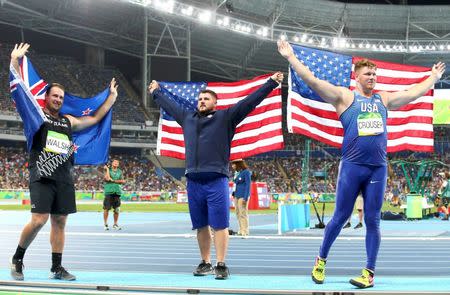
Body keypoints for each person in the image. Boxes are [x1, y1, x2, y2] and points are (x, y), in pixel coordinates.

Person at [278, 40, 445, 288]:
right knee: (339, 217)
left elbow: (412, 93)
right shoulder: (344, 97)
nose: (373, 77)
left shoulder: (384, 99)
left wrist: (432, 78)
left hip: (377, 168)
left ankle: (369, 272)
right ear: (356, 77)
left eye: (375, 74)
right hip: (352, 167)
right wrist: (291, 57)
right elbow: (313, 81)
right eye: (368, 73)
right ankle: (321, 260)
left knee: (373, 220)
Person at [148, 72, 283, 280]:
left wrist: (271, 83)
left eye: (206, 99)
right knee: (200, 226)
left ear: (215, 102)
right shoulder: (187, 118)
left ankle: (221, 264)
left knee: (220, 225)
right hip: (193, 181)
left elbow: (250, 102)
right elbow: (169, 105)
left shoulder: (226, 117)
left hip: (216, 180)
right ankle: (205, 262)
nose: (201, 101)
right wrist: (156, 92)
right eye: (200, 99)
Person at [10, 43, 118, 281]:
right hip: (42, 174)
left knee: (60, 222)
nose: (58, 99)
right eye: (54, 96)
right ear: (46, 97)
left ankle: (56, 267)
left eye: (61, 97)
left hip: (64, 177)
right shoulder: (36, 117)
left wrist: (111, 98)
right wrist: (14, 61)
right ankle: (18, 258)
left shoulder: (69, 121)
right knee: (39, 220)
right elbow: (19, 91)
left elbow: (95, 118)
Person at [103, 159, 126, 230]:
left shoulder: (120, 171)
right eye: (114, 162)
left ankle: (115, 224)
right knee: (106, 209)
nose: (116, 163)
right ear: (112, 163)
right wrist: (107, 170)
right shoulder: (108, 170)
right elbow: (107, 179)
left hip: (117, 192)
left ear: (118, 164)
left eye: (117, 162)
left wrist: (114, 181)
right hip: (109, 192)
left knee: (117, 209)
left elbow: (123, 181)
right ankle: (105, 224)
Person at [231, 159, 252, 237]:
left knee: (242, 212)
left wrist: (246, 197)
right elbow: (235, 184)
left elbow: (248, 185)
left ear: (238, 164)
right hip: (236, 195)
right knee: (237, 213)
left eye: (233, 164)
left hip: (243, 195)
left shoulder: (246, 172)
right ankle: (240, 228)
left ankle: (245, 230)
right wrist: (233, 193)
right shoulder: (237, 173)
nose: (232, 166)